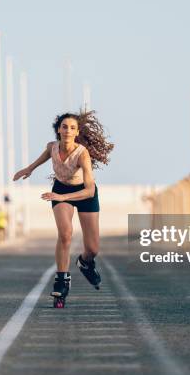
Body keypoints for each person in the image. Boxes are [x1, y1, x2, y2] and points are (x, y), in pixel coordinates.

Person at [13, 110, 114, 307]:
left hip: (84, 194)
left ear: (77, 133)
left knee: (93, 248)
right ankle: (62, 280)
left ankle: (85, 262)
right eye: (65, 127)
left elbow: (90, 189)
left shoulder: (82, 154)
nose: (68, 131)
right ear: (58, 130)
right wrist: (29, 168)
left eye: (72, 128)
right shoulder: (52, 147)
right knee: (65, 234)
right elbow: (45, 155)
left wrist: (63, 197)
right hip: (60, 190)